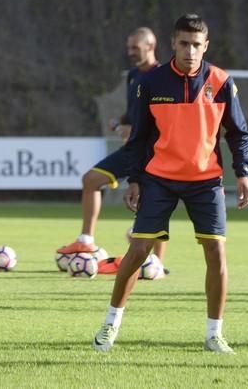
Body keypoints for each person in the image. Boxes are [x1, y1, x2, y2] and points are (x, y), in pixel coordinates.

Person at [92, 14, 248, 354]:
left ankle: (214, 334)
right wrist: (135, 179)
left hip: (206, 182)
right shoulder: (151, 82)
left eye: (197, 44)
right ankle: (110, 326)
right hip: (159, 180)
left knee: (217, 253)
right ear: (173, 44)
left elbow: (238, 133)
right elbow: (139, 138)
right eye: (184, 43)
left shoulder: (222, 81)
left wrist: (243, 172)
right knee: (137, 252)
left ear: (206, 46)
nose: (190, 50)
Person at [57, 27, 167, 268]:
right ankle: (86, 241)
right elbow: (132, 113)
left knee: (153, 199)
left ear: (151, 46)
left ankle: (156, 262)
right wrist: (121, 123)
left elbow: (165, 117)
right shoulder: (132, 76)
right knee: (90, 180)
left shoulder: (163, 78)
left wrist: (138, 129)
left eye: (135, 48)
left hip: (154, 151)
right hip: (132, 149)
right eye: (129, 48)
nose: (130, 52)